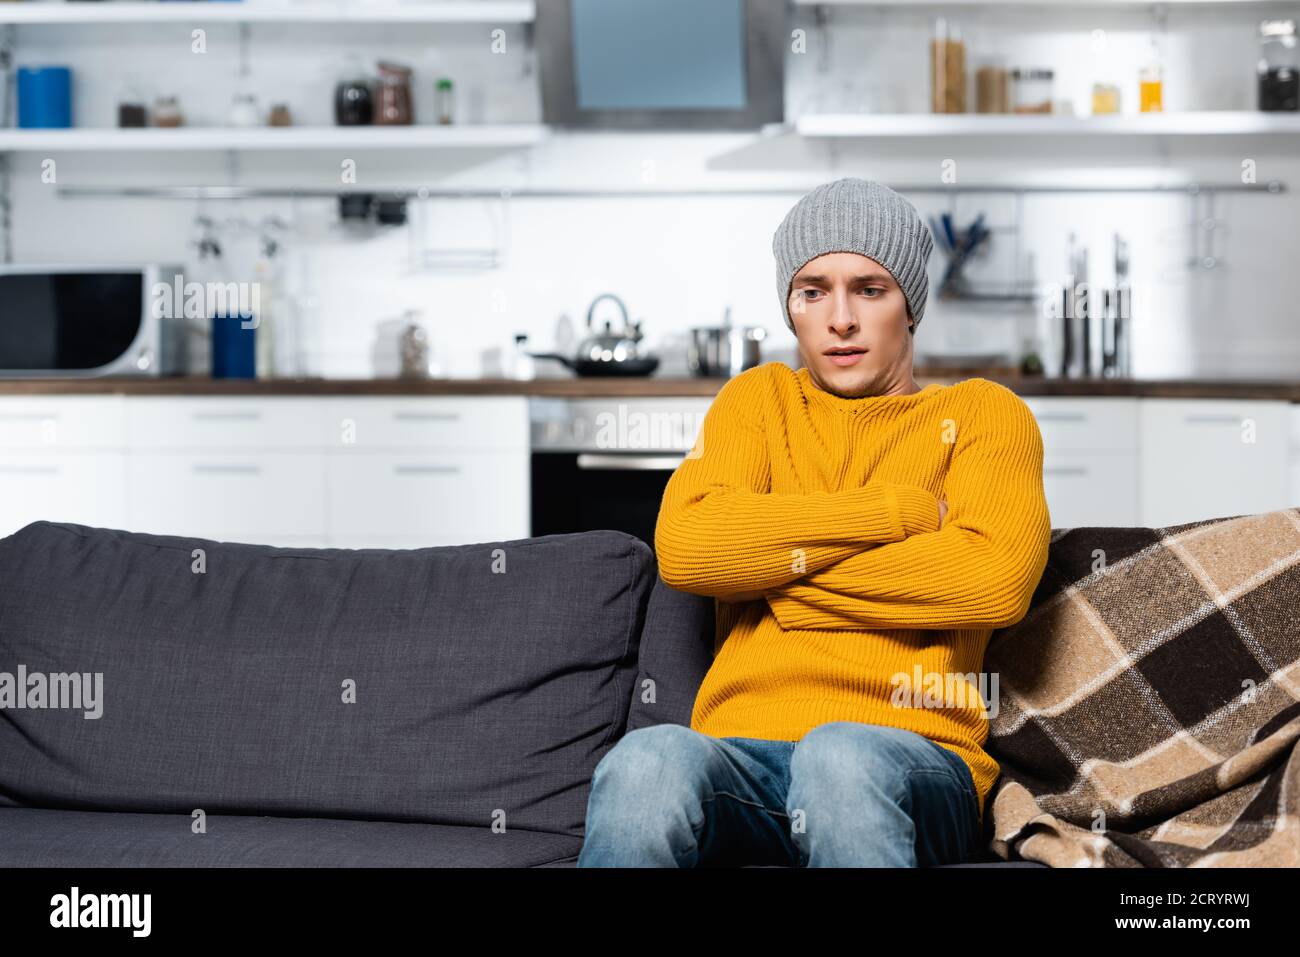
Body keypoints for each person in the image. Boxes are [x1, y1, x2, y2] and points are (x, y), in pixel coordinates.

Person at [577, 177, 1052, 867]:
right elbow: (687, 547)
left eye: (869, 288)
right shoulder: (755, 401)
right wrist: (896, 512)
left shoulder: (984, 415)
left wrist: (770, 573)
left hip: (910, 758)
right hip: (740, 755)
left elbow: (992, 581)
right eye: (812, 290)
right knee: (647, 757)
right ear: (791, 307)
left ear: (909, 306)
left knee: (838, 754)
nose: (840, 320)